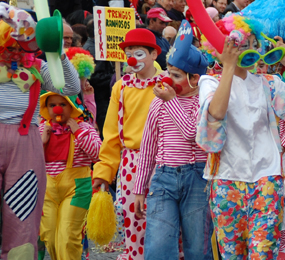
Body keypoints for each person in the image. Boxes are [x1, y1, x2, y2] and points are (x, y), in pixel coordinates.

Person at [196, 13, 285, 259]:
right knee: (233, 255)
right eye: (242, 45)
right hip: (225, 180)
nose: (250, 50)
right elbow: (215, 115)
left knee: (263, 253)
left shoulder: (268, 83)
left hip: (267, 178)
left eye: (253, 44)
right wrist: (229, 67)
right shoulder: (209, 83)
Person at [0, 4, 82, 257]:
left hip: (25, 144)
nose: (13, 48)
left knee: (22, 210)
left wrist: (58, 53)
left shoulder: (36, 65)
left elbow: (70, 87)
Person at [132, 20, 212, 259]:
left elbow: (192, 134)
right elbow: (148, 148)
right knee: (158, 246)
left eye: (176, 75)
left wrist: (171, 101)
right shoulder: (159, 102)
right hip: (164, 178)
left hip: (198, 179)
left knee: (198, 248)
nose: (168, 79)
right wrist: (139, 188)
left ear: (195, 79)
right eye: (167, 72)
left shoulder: (204, 101)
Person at [91, 28, 168, 260]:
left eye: (139, 52)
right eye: (129, 52)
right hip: (131, 164)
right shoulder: (121, 87)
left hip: (164, 161)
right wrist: (104, 173)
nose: (132, 58)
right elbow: (112, 134)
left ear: (154, 54)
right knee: (134, 223)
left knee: (167, 224)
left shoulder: (167, 83)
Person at [38, 91, 101, 260]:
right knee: (49, 236)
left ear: (72, 107)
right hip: (47, 191)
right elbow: (28, 160)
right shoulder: (42, 128)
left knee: (67, 238)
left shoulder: (84, 127)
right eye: (52, 105)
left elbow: (98, 154)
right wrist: (41, 141)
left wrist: (79, 133)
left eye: (63, 104)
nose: (57, 109)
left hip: (77, 190)